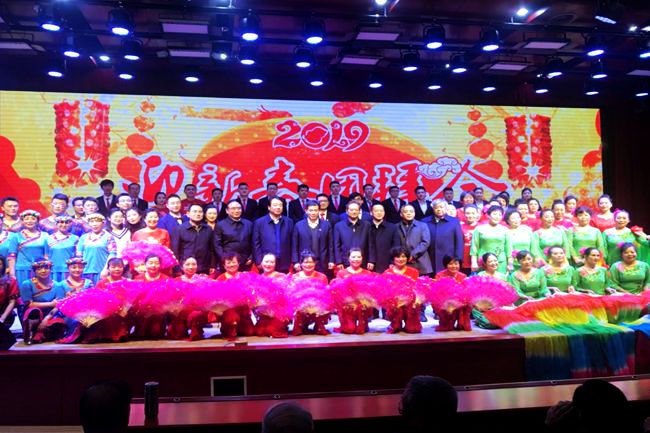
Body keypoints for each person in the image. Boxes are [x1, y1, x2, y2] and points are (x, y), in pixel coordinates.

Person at [19, 258, 66, 344]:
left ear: (50, 269)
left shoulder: (57, 285)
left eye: (46, 268)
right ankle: (31, 334)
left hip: (50, 314)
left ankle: (44, 335)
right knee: (34, 311)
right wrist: (50, 304)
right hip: (34, 314)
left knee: (58, 322)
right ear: (34, 271)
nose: (43, 271)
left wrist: (46, 319)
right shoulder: (27, 284)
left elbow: (58, 305)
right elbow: (29, 304)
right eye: (39, 268)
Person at [171, 204, 215, 275]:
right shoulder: (180, 229)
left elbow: (212, 249)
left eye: (200, 212)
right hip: (185, 268)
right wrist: (177, 268)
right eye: (195, 211)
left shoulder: (208, 229)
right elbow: (175, 250)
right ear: (188, 214)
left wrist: (212, 265)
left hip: (204, 267)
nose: (198, 214)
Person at [253, 196, 294, 273]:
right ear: (269, 207)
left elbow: (293, 242)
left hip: (284, 262)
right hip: (266, 262)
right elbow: (256, 244)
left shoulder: (289, 222)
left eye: (280, 205)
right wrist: (258, 261)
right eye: (275, 205)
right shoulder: (259, 222)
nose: (278, 207)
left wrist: (293, 260)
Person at [292, 200, 334, 274]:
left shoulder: (326, 225)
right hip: (305, 263)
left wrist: (331, 260)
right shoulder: (298, 225)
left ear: (319, 211)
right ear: (306, 211)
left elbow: (330, 245)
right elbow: (295, 245)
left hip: (322, 262)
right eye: (311, 210)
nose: (313, 213)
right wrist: (295, 262)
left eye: (315, 210)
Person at [214, 200, 254, 272]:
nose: (236, 211)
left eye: (239, 208)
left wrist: (251, 257)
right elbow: (217, 245)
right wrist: (224, 259)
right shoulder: (220, 225)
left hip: (246, 261)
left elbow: (253, 242)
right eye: (233, 208)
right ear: (227, 211)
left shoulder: (249, 224)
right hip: (228, 262)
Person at [333, 201, 375, 270]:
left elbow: (371, 244)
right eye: (351, 210)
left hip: (363, 262)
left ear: (359, 211)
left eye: (356, 210)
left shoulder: (367, 225)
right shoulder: (339, 226)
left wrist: (371, 260)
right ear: (347, 211)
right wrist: (339, 261)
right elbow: (336, 245)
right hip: (345, 262)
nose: (354, 212)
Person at [77, 213, 117, 285]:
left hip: (102, 271)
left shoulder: (108, 237)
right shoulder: (84, 237)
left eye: (97, 221)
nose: (94, 224)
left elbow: (112, 254)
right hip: (86, 271)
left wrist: (106, 269)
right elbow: (79, 255)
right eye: (92, 222)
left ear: (103, 223)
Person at [427, 199, 464, 275]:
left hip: (449, 259)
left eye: (441, 207)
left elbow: (459, 241)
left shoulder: (454, 221)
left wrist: (458, 258)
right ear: (433, 209)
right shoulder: (425, 221)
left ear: (446, 208)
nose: (439, 209)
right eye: (436, 207)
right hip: (430, 258)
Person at [470, 205, 511, 273]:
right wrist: (474, 262)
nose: (497, 216)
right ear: (488, 215)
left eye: (499, 215)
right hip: (484, 261)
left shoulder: (505, 230)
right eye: (494, 214)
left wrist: (510, 263)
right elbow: (474, 247)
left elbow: (508, 248)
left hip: (500, 261)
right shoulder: (479, 229)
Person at [14, 210, 50, 286]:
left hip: (40, 269)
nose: (29, 221)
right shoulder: (16, 236)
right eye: (26, 219)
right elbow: (12, 256)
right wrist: (12, 273)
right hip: (22, 269)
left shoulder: (45, 235)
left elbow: (47, 255)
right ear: (22, 221)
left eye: (33, 219)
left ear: (37, 221)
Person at [397, 204, 432, 276]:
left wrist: (413, 254)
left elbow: (425, 242)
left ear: (414, 213)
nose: (409, 213)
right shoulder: (396, 227)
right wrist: (404, 256)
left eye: (411, 211)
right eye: (406, 212)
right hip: (403, 262)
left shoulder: (422, 225)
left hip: (421, 262)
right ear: (401, 214)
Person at [368, 203, 401, 274]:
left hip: (387, 264)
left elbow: (396, 246)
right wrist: (370, 260)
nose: (379, 213)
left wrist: (392, 262)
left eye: (381, 211)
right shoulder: (366, 226)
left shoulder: (392, 227)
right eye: (376, 211)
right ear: (371, 212)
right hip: (369, 264)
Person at [48, 215, 80, 282]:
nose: (64, 225)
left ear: (70, 224)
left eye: (66, 223)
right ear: (56, 224)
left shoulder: (75, 238)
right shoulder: (48, 238)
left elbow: (78, 255)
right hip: (53, 270)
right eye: (61, 222)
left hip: (68, 270)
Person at [460, 204, 479, 274]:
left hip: (478, 258)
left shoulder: (482, 226)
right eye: (468, 213)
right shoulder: (460, 226)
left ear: (477, 214)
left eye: (473, 213)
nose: (470, 215)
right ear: (464, 214)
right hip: (464, 258)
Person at [0, 256, 18, 329]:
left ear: (3, 266)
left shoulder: (10, 281)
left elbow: (12, 302)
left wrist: (2, 319)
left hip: (4, 315)